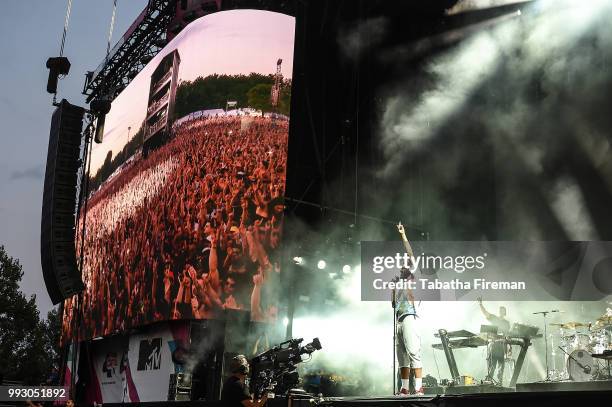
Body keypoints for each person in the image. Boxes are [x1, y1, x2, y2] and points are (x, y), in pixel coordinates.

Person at [394, 222, 423, 396]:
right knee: (402, 355)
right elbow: (392, 304)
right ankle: (404, 387)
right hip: (398, 318)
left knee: (413, 351)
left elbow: (410, 253)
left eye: (405, 264)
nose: (403, 266)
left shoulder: (413, 276)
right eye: (402, 265)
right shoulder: (398, 283)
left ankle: (418, 387)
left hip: (410, 315)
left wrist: (403, 235)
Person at [477, 297, 510, 384]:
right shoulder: (495, 318)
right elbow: (486, 313)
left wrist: (509, 348)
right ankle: (489, 382)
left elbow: (508, 336)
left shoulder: (507, 323)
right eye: (500, 311)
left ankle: (500, 383)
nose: (501, 312)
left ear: (505, 313)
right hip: (494, 345)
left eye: (503, 311)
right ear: (499, 312)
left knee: (501, 367)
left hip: (502, 347)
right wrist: (480, 304)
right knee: (492, 366)